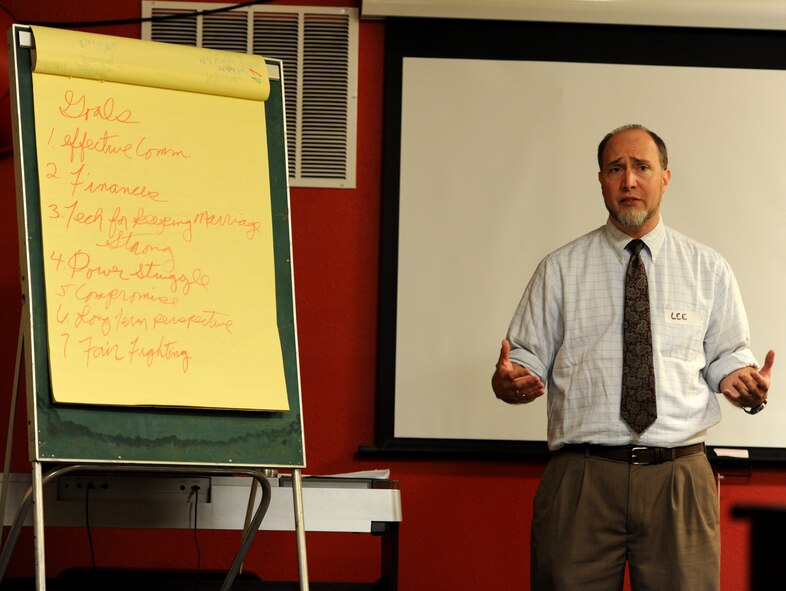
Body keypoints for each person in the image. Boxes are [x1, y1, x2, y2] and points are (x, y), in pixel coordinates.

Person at [491, 123, 775, 591]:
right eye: (615, 168)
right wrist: (509, 382)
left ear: (664, 177)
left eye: (642, 167)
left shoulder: (709, 269)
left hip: (678, 478)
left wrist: (741, 382)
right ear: (600, 180)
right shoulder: (560, 269)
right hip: (582, 479)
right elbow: (524, 363)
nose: (629, 180)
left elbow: (727, 358)